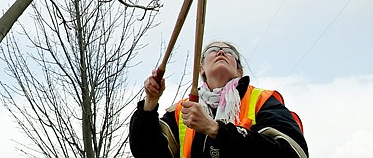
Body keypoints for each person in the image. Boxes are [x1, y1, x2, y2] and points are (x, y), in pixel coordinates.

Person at [129, 41, 308, 158]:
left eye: (229, 52)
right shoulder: (183, 110)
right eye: (213, 50)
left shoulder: (262, 100)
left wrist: (216, 129)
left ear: (239, 71)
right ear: (201, 70)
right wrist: (150, 103)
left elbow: (292, 153)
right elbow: (147, 152)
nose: (221, 51)